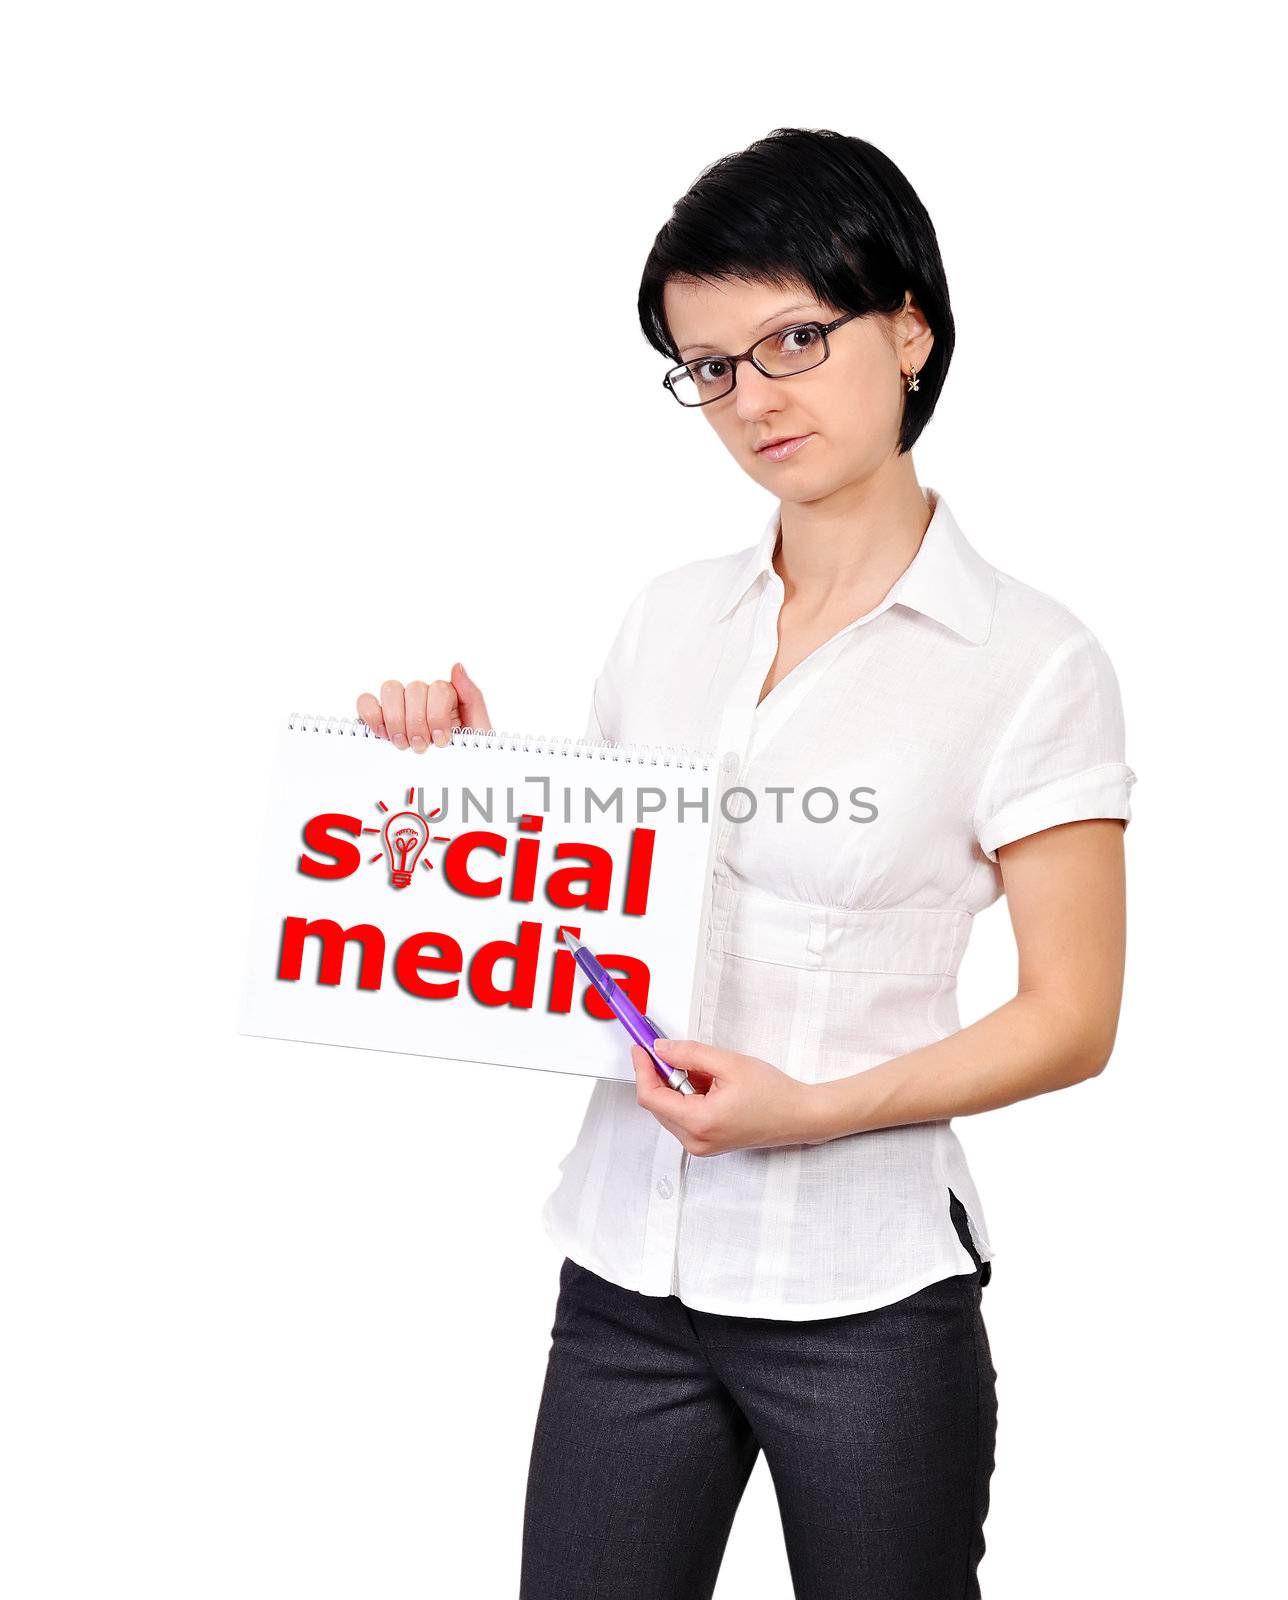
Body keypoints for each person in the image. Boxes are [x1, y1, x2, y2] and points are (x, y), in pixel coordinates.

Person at [356, 128, 1136, 1600]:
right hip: (624, 1279)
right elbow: (590, 921)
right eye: (708, 365)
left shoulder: (1034, 663)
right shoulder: (666, 620)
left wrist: (813, 1110)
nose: (750, 398)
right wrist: (454, 787)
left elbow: (1072, 1016)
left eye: (791, 338)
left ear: (909, 326)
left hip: (869, 1301)